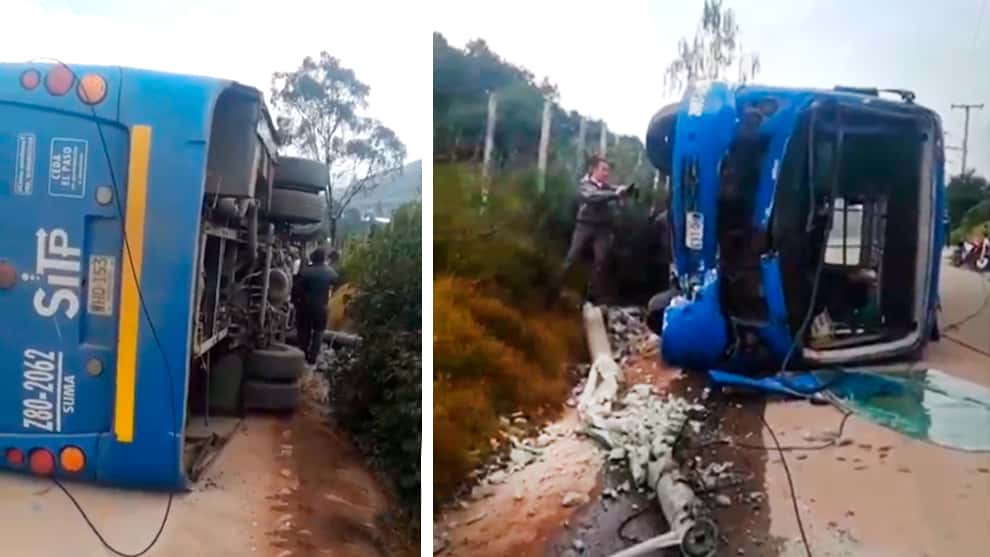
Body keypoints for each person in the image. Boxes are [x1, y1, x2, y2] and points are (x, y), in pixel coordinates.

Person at [552, 156, 634, 304]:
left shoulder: (607, 187)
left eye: (608, 170)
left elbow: (615, 194)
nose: (606, 173)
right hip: (585, 225)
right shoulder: (585, 185)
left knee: (601, 261)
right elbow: (592, 196)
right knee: (572, 256)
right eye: (603, 169)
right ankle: (557, 287)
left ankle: (593, 295)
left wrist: (625, 192)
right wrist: (615, 194)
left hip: (602, 228)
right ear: (594, 170)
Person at [292, 247, 339, 365]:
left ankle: (302, 355)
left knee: (304, 332)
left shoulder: (305, 272)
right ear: (323, 258)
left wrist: (296, 302)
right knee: (319, 332)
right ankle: (312, 358)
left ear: (313, 258)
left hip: (304, 307)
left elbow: (295, 290)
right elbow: (337, 284)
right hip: (321, 308)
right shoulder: (330, 272)